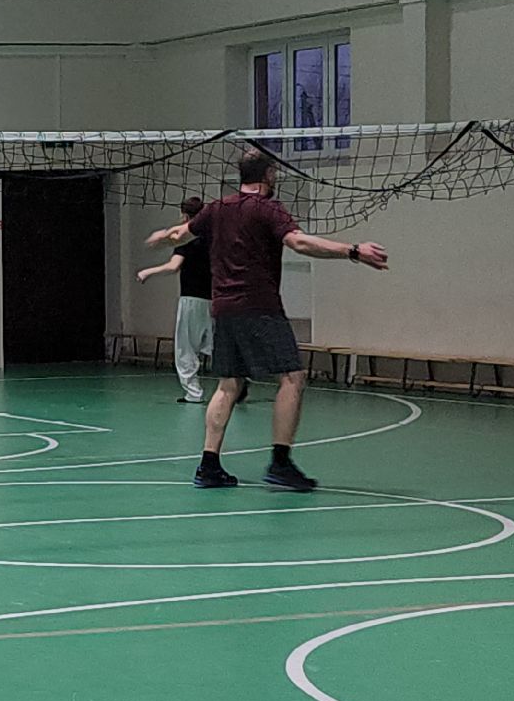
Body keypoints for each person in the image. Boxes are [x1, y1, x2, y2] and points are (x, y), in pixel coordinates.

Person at [147, 149, 389, 492]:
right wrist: (352, 251)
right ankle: (280, 462)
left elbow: (178, 235)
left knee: (229, 384)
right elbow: (300, 243)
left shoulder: (217, 209)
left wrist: (160, 237)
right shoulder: (268, 209)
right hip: (258, 307)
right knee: (292, 376)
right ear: (269, 175)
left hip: (224, 309)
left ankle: (208, 465)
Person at [137, 197, 215, 403]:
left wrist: (148, 271)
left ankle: (193, 393)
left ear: (186, 215)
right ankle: (237, 382)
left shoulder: (186, 240)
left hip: (192, 300)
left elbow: (173, 266)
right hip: (216, 299)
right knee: (218, 345)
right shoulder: (213, 237)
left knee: (186, 349)